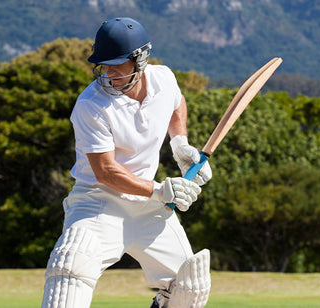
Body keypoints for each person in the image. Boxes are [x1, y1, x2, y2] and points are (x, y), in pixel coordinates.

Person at [41, 17, 212, 308]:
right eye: (104, 65)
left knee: (188, 286)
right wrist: (160, 191)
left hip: (149, 208)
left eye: (117, 65)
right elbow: (105, 171)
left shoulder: (163, 78)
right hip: (99, 201)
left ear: (140, 59)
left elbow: (177, 102)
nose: (109, 73)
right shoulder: (91, 104)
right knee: (70, 269)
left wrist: (179, 143)